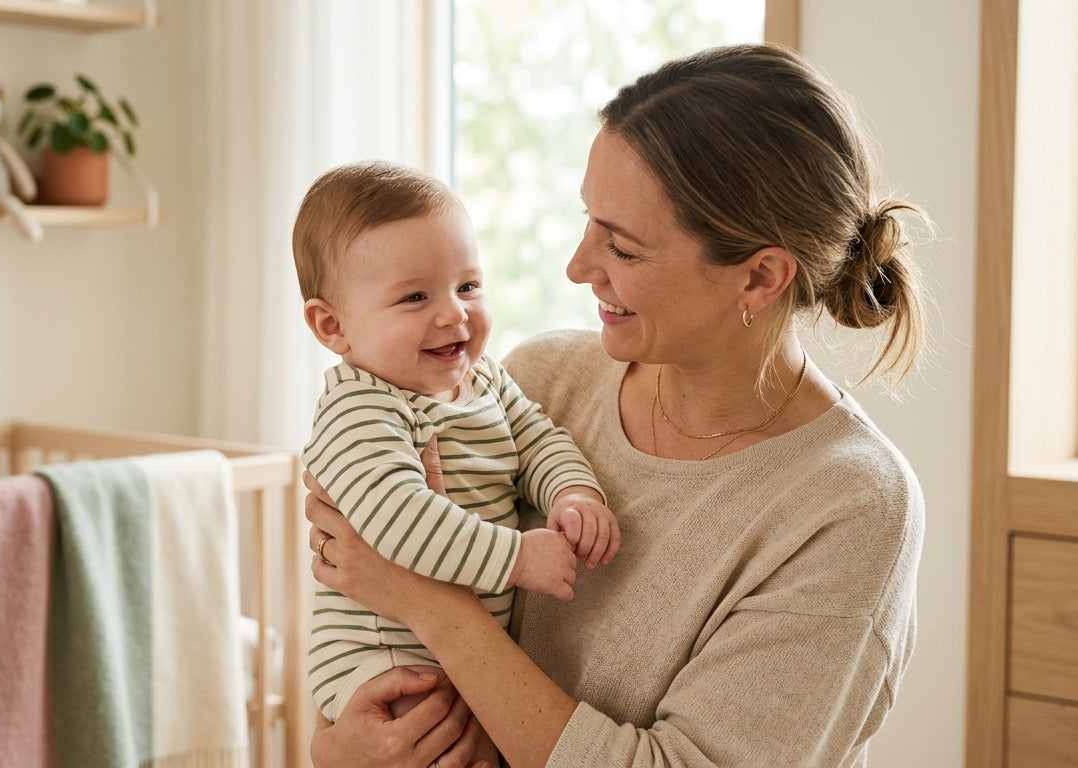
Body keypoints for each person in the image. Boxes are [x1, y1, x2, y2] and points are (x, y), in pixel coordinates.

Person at [305, 42, 928, 768]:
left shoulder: (848, 505)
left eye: (622, 247)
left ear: (759, 278)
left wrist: (436, 608)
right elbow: (363, 640)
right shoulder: (541, 380)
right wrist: (340, 751)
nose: (577, 266)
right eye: (587, 221)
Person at [291, 160, 623, 764]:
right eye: (415, 297)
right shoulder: (360, 408)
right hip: (385, 657)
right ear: (332, 325)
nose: (454, 314)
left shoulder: (484, 380)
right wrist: (517, 557)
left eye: (467, 286)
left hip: (448, 646)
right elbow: (397, 521)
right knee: (428, 742)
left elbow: (538, 440)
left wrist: (574, 494)